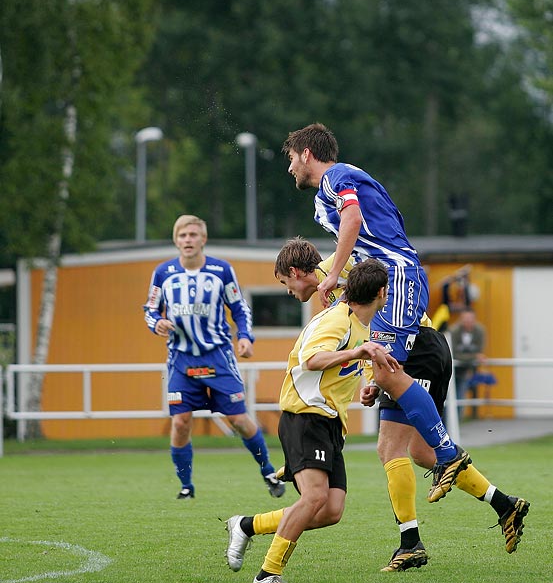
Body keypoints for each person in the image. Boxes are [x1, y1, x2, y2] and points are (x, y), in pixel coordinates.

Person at [273, 237, 530, 568]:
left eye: (284, 283)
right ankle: (504, 505)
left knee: (389, 448)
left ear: (296, 271)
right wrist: (370, 377)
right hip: (416, 347)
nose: (288, 292)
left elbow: (378, 303)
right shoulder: (334, 288)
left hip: (414, 348)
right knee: (423, 454)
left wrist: (378, 371)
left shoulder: (336, 275)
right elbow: (366, 329)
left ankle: (411, 544)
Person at [225, 260, 402, 582]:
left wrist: (369, 387)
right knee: (314, 498)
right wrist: (357, 354)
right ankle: (268, 574)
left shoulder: (361, 324)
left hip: (330, 423)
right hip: (306, 416)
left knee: (330, 510)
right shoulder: (338, 319)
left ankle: (246, 525)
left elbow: (349, 363)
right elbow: (312, 359)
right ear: (381, 292)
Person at [143, 214, 285, 500]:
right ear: (176, 240)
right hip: (181, 360)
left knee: (239, 420)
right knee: (181, 421)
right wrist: (156, 323)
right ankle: (186, 485)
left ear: (203, 239)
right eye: (183, 236)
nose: (188, 241)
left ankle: (268, 470)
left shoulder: (221, 270)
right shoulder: (163, 273)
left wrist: (245, 336)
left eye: (193, 235)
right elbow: (150, 309)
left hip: (218, 357)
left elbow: (239, 308)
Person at [450, 307, 494, 420]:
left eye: (470, 319)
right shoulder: (453, 331)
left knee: (460, 396)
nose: (468, 322)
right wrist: (473, 356)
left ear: (474, 319)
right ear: (461, 319)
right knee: (448, 398)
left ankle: (456, 424)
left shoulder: (480, 331)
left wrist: (471, 358)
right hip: (451, 370)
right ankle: (448, 423)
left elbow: (480, 351)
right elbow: (453, 353)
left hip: (467, 370)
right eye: (465, 319)